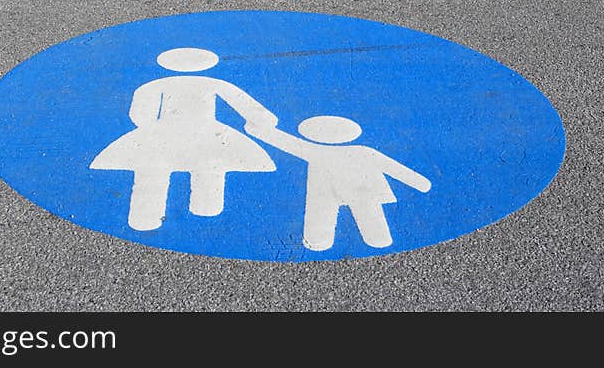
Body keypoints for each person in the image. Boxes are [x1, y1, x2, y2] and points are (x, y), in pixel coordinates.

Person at [89, 47, 278, 231]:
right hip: (207, 132)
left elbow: (140, 114)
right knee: (210, 164)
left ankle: (145, 216)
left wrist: (149, 128)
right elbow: (244, 104)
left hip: (163, 132)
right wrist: (263, 121)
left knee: (152, 168)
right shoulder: (214, 83)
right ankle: (206, 208)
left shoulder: (155, 85)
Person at [247, 115, 431, 251]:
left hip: (326, 189)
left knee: (321, 213)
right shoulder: (363, 151)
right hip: (363, 188)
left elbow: (287, 142)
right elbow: (394, 168)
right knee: (369, 214)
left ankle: (318, 240)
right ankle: (377, 238)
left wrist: (260, 131)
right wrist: (420, 183)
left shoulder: (314, 150)